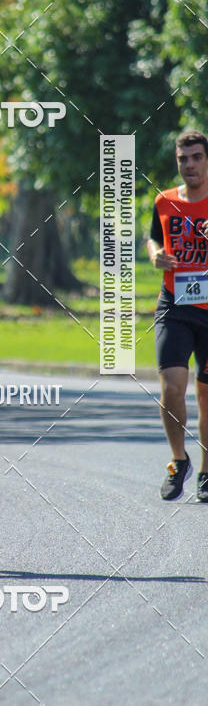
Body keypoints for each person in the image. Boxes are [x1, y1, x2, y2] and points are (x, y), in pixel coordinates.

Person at [147, 130, 208, 502]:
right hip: (175, 304)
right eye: (183, 159)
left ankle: (206, 471)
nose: (189, 165)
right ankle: (178, 460)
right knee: (171, 386)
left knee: (206, 397)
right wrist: (155, 254)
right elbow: (154, 237)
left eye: (196, 157)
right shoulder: (165, 201)